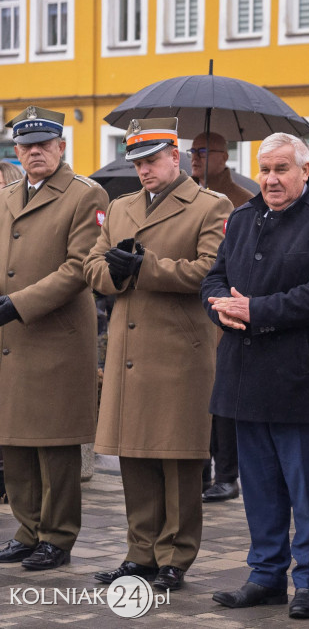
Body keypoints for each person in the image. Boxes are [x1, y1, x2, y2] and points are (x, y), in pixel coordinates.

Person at [203, 133, 309, 620]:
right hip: (244, 374)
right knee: (260, 488)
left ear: (306, 169)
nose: (271, 179)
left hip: (299, 376)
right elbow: (214, 276)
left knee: (308, 493)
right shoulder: (244, 217)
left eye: (282, 169)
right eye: (265, 169)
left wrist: (254, 309)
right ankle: (265, 576)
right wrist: (221, 311)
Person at [84, 118, 233, 591]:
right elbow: (91, 264)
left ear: (176, 156)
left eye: (152, 160)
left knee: (179, 460)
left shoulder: (211, 205)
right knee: (135, 458)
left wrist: (146, 268)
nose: (144, 170)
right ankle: (140, 553)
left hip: (179, 351)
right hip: (130, 352)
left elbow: (210, 270)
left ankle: (175, 557)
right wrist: (116, 273)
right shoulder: (121, 206)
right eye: (138, 163)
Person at [0, 106, 108, 571]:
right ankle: (27, 531)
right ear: (17, 152)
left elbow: (78, 267)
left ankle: (58, 537)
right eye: (26, 146)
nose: (35, 153)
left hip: (54, 334)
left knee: (56, 441)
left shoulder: (86, 194)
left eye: (44, 145)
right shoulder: (7, 194)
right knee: (14, 438)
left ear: (61, 147)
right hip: (10, 337)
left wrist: (16, 304)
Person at [189, 131, 251, 504]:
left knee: (223, 396)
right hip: (191, 307)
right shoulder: (188, 198)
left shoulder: (241, 201)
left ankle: (227, 474)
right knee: (196, 398)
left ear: (222, 156)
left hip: (226, 305)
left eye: (201, 151)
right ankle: (200, 470)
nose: (193, 158)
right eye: (190, 151)